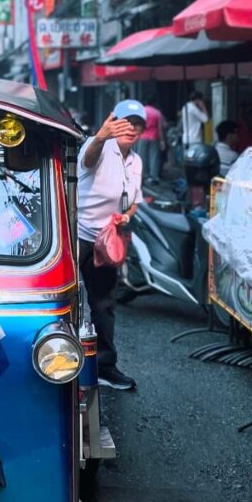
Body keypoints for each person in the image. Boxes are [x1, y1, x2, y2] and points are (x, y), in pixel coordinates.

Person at [77, 99, 145, 391]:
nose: (130, 128)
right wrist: (100, 136)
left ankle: (104, 366)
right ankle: (58, 362)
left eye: (137, 124)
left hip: (107, 241)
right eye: (125, 122)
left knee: (103, 304)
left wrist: (124, 216)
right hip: (77, 235)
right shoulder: (99, 146)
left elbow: (135, 201)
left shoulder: (136, 161)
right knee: (66, 301)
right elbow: (87, 161)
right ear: (113, 122)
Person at [137, 95, 166, 183]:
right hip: (154, 137)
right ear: (155, 103)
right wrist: (162, 140)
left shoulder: (142, 111)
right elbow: (160, 128)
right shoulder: (157, 113)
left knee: (141, 157)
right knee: (154, 157)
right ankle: (154, 176)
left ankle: (141, 175)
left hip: (143, 136)